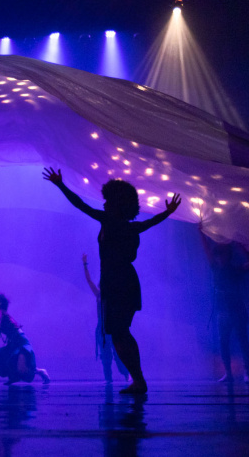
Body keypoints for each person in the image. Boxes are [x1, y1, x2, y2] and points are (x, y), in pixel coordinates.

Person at [43, 167, 180, 394]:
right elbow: (152, 222)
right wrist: (167, 213)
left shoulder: (109, 220)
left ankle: (139, 380)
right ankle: (138, 379)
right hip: (123, 281)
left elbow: (81, 205)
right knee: (121, 331)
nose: (104, 204)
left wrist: (60, 185)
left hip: (117, 283)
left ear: (116, 204)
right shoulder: (130, 227)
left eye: (107, 200)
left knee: (120, 332)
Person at [198, 226, 249, 383]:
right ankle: (228, 373)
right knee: (224, 341)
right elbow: (207, 251)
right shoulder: (215, 268)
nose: (220, 258)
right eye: (219, 256)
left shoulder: (235, 270)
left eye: (222, 255)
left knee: (242, 339)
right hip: (223, 311)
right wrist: (200, 233)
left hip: (237, 309)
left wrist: (239, 245)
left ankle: (246, 373)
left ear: (227, 256)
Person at [0, 292, 50, 384]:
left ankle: (40, 372)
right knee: (5, 360)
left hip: (20, 341)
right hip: (13, 343)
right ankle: (17, 376)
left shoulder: (0, 314)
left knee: (22, 369)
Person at [82, 254, 130, 384]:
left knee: (118, 352)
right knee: (105, 356)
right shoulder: (99, 295)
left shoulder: (113, 297)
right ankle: (108, 379)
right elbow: (89, 280)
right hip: (102, 328)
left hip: (112, 328)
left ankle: (126, 374)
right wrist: (85, 264)